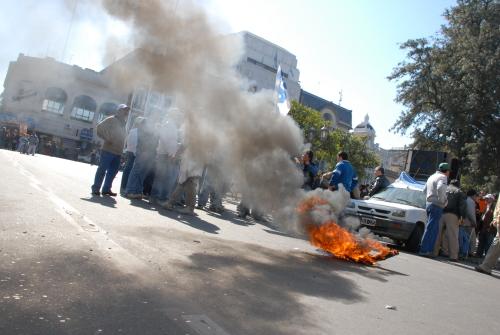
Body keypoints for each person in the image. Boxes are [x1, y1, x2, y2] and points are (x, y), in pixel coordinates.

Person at [91, 104, 130, 196]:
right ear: (119, 111)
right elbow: (99, 128)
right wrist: (107, 138)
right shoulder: (112, 119)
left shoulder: (123, 123)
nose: (126, 112)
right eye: (124, 110)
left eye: (127, 111)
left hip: (118, 152)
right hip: (108, 150)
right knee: (102, 169)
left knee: (113, 172)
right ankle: (96, 188)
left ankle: (106, 189)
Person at [419, 162, 450, 257]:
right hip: (436, 205)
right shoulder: (443, 177)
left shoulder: (431, 176)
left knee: (430, 227)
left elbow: (424, 190)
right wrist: (443, 201)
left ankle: (425, 249)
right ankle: (425, 250)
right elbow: (441, 187)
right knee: (432, 228)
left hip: (429, 203)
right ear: (447, 171)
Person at [433, 179, 467, 261]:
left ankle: (434, 252)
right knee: (453, 235)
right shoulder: (459, 192)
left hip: (441, 212)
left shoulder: (444, 189)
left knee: (437, 233)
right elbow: (462, 206)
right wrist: (462, 217)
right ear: (458, 185)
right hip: (453, 215)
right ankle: (453, 256)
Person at [475, 195, 500, 275]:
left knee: (494, 244)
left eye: (487, 198)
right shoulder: (487, 206)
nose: (485, 199)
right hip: (491, 225)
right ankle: (486, 266)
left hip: (491, 227)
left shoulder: (491, 206)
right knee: (495, 244)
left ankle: (486, 266)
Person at [120, 117, 144, 195]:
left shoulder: (134, 131)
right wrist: (135, 152)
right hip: (132, 152)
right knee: (128, 170)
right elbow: (132, 143)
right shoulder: (134, 131)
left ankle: (125, 187)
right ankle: (124, 187)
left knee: (128, 170)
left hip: (131, 152)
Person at [461, 189, 479, 257]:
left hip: (464, 222)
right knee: (469, 239)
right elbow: (470, 213)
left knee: (464, 238)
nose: (476, 197)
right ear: (473, 195)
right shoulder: (471, 201)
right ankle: (468, 253)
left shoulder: (465, 199)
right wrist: (474, 222)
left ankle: (466, 252)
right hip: (469, 223)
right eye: (475, 195)